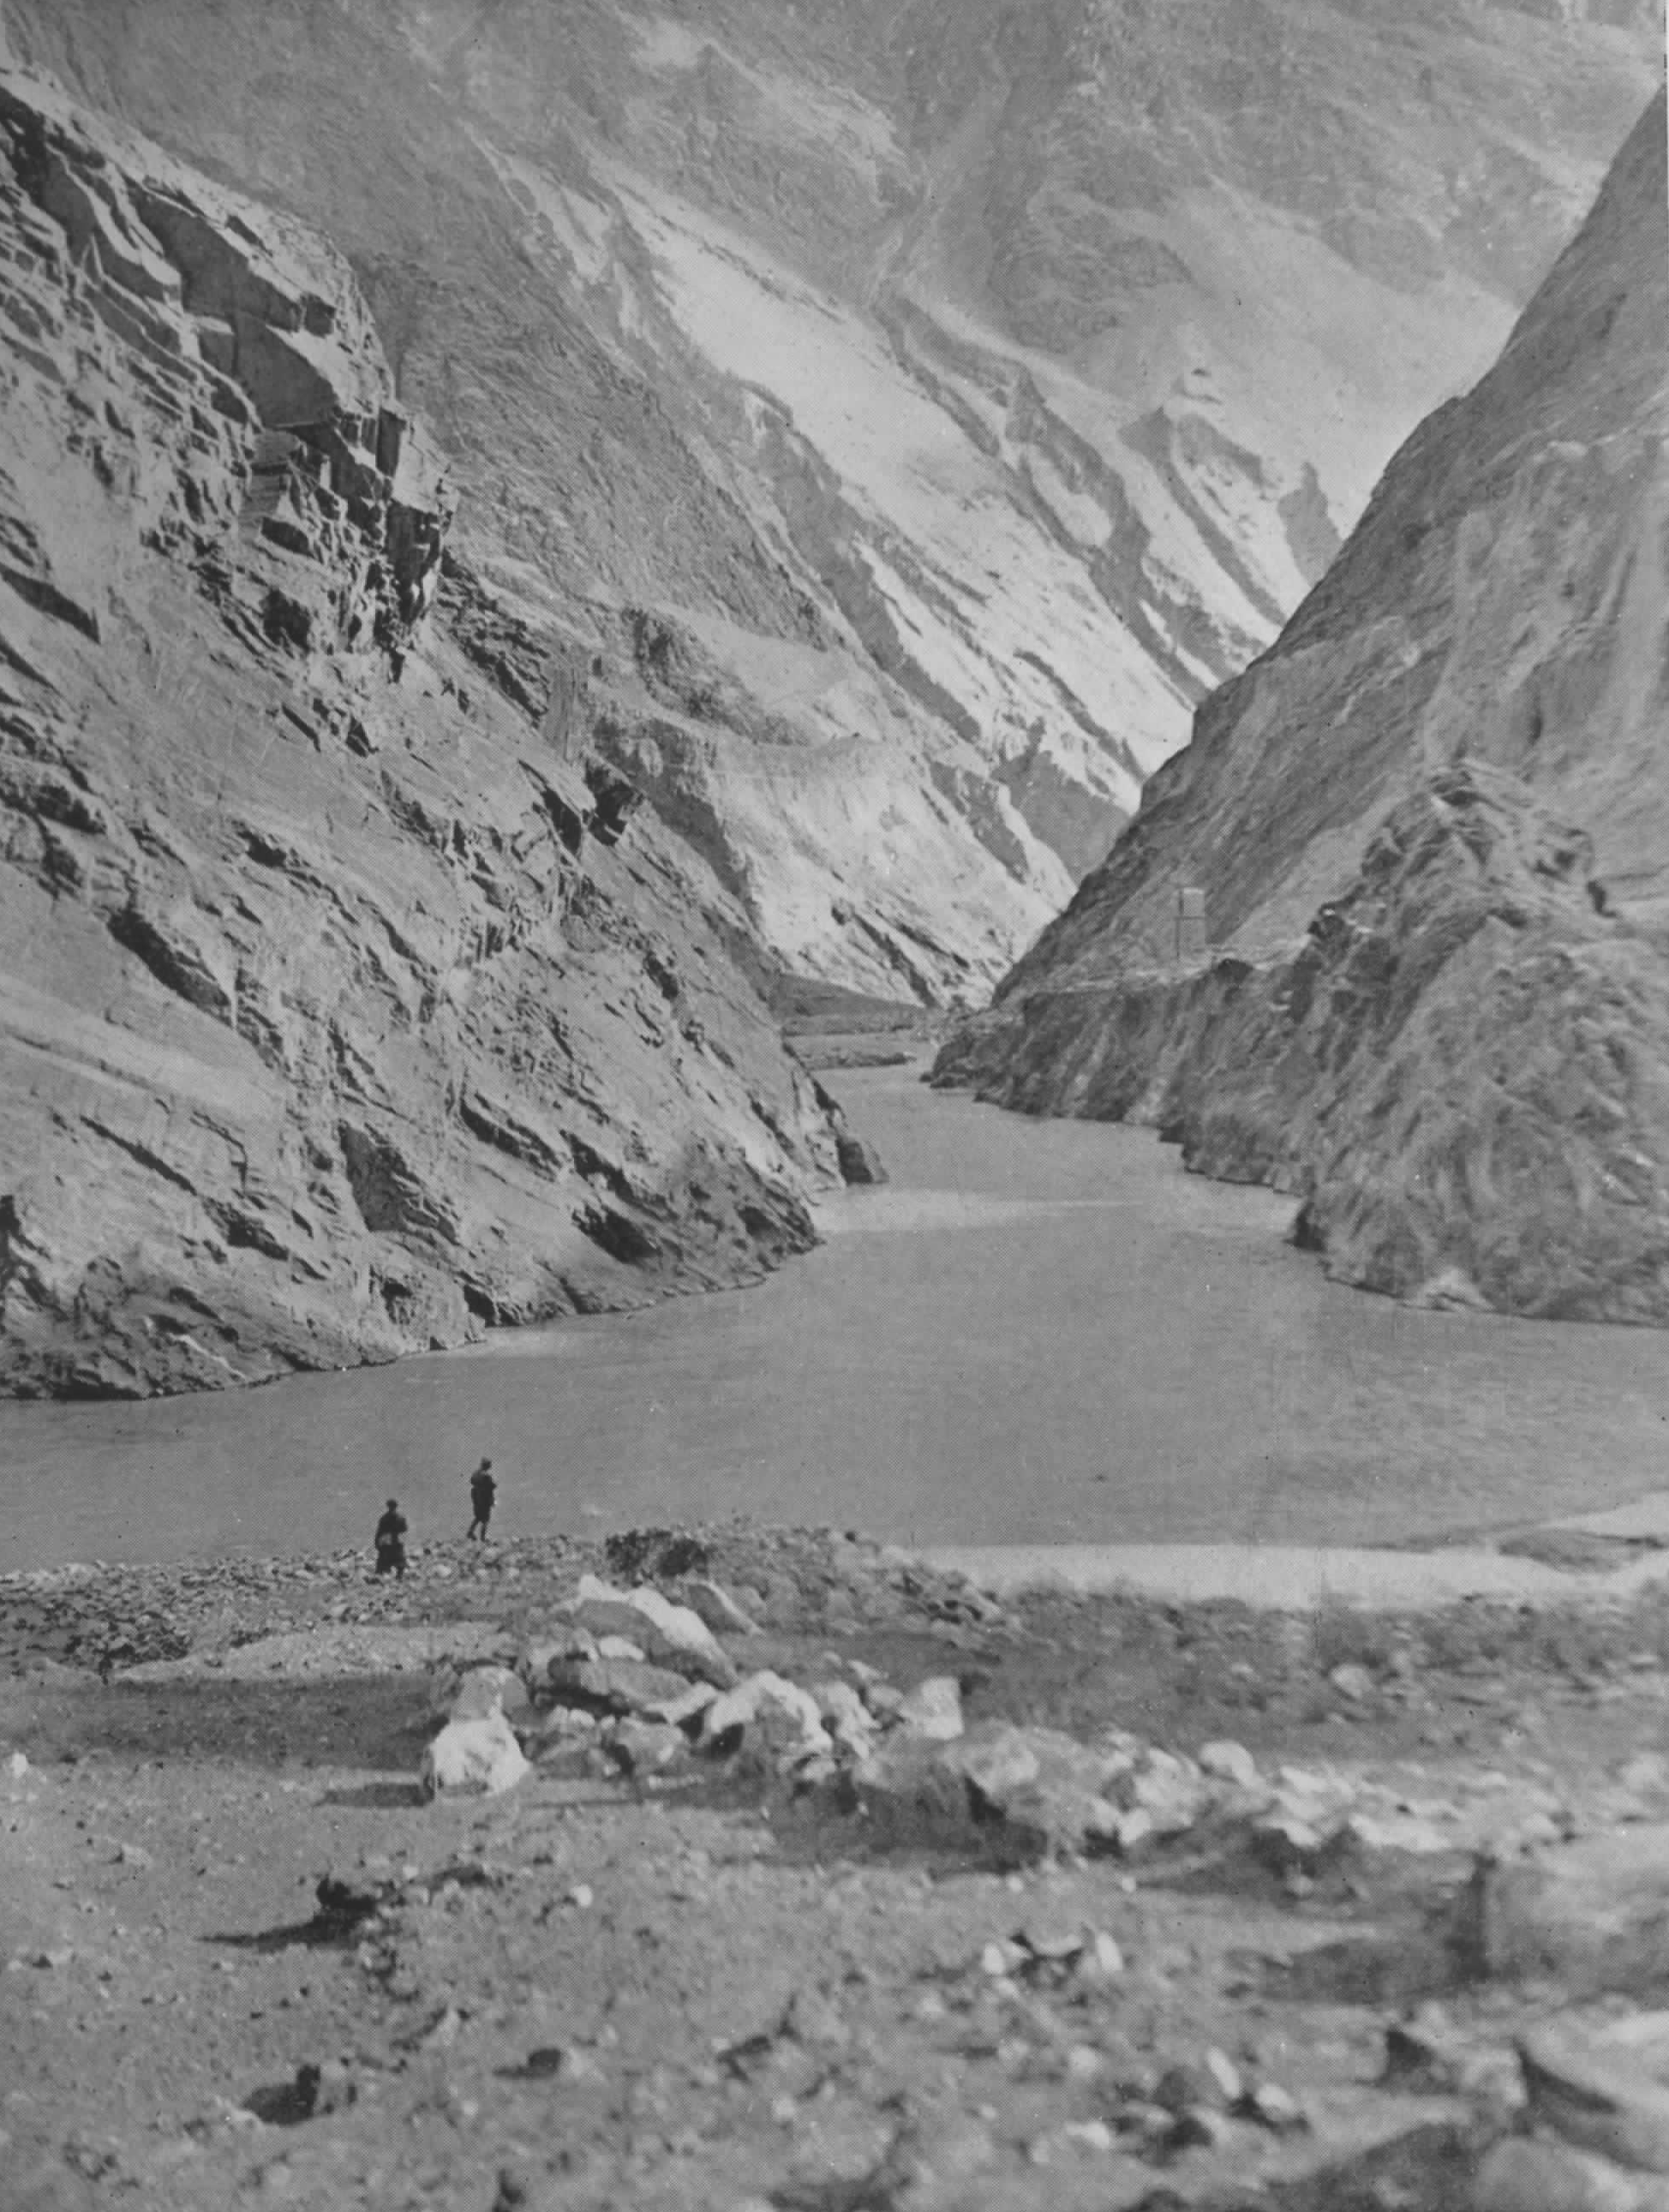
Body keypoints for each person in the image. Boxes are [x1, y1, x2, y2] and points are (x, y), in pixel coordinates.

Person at [374, 1497, 408, 1579]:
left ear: (388, 1506)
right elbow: (405, 1529)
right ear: (396, 1507)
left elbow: (379, 1532)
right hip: (396, 1541)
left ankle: (381, 1578)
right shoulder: (401, 1518)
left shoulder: (384, 1518)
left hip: (387, 1542)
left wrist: (377, 1542)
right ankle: (398, 1577)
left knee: (383, 1562)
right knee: (399, 1561)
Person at [466, 1459, 496, 1542]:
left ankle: (470, 1532)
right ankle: (483, 1537)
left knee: (478, 1517)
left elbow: (472, 1481)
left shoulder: (476, 1473)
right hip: (485, 1499)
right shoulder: (486, 1476)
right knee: (485, 1520)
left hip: (476, 1498)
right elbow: (492, 1486)